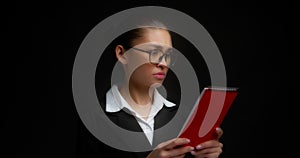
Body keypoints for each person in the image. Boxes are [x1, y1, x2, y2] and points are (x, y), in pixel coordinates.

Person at [76, 19, 224, 158]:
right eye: (154, 52)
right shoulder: (94, 121)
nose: (164, 63)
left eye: (168, 55)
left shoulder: (184, 118)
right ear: (122, 53)